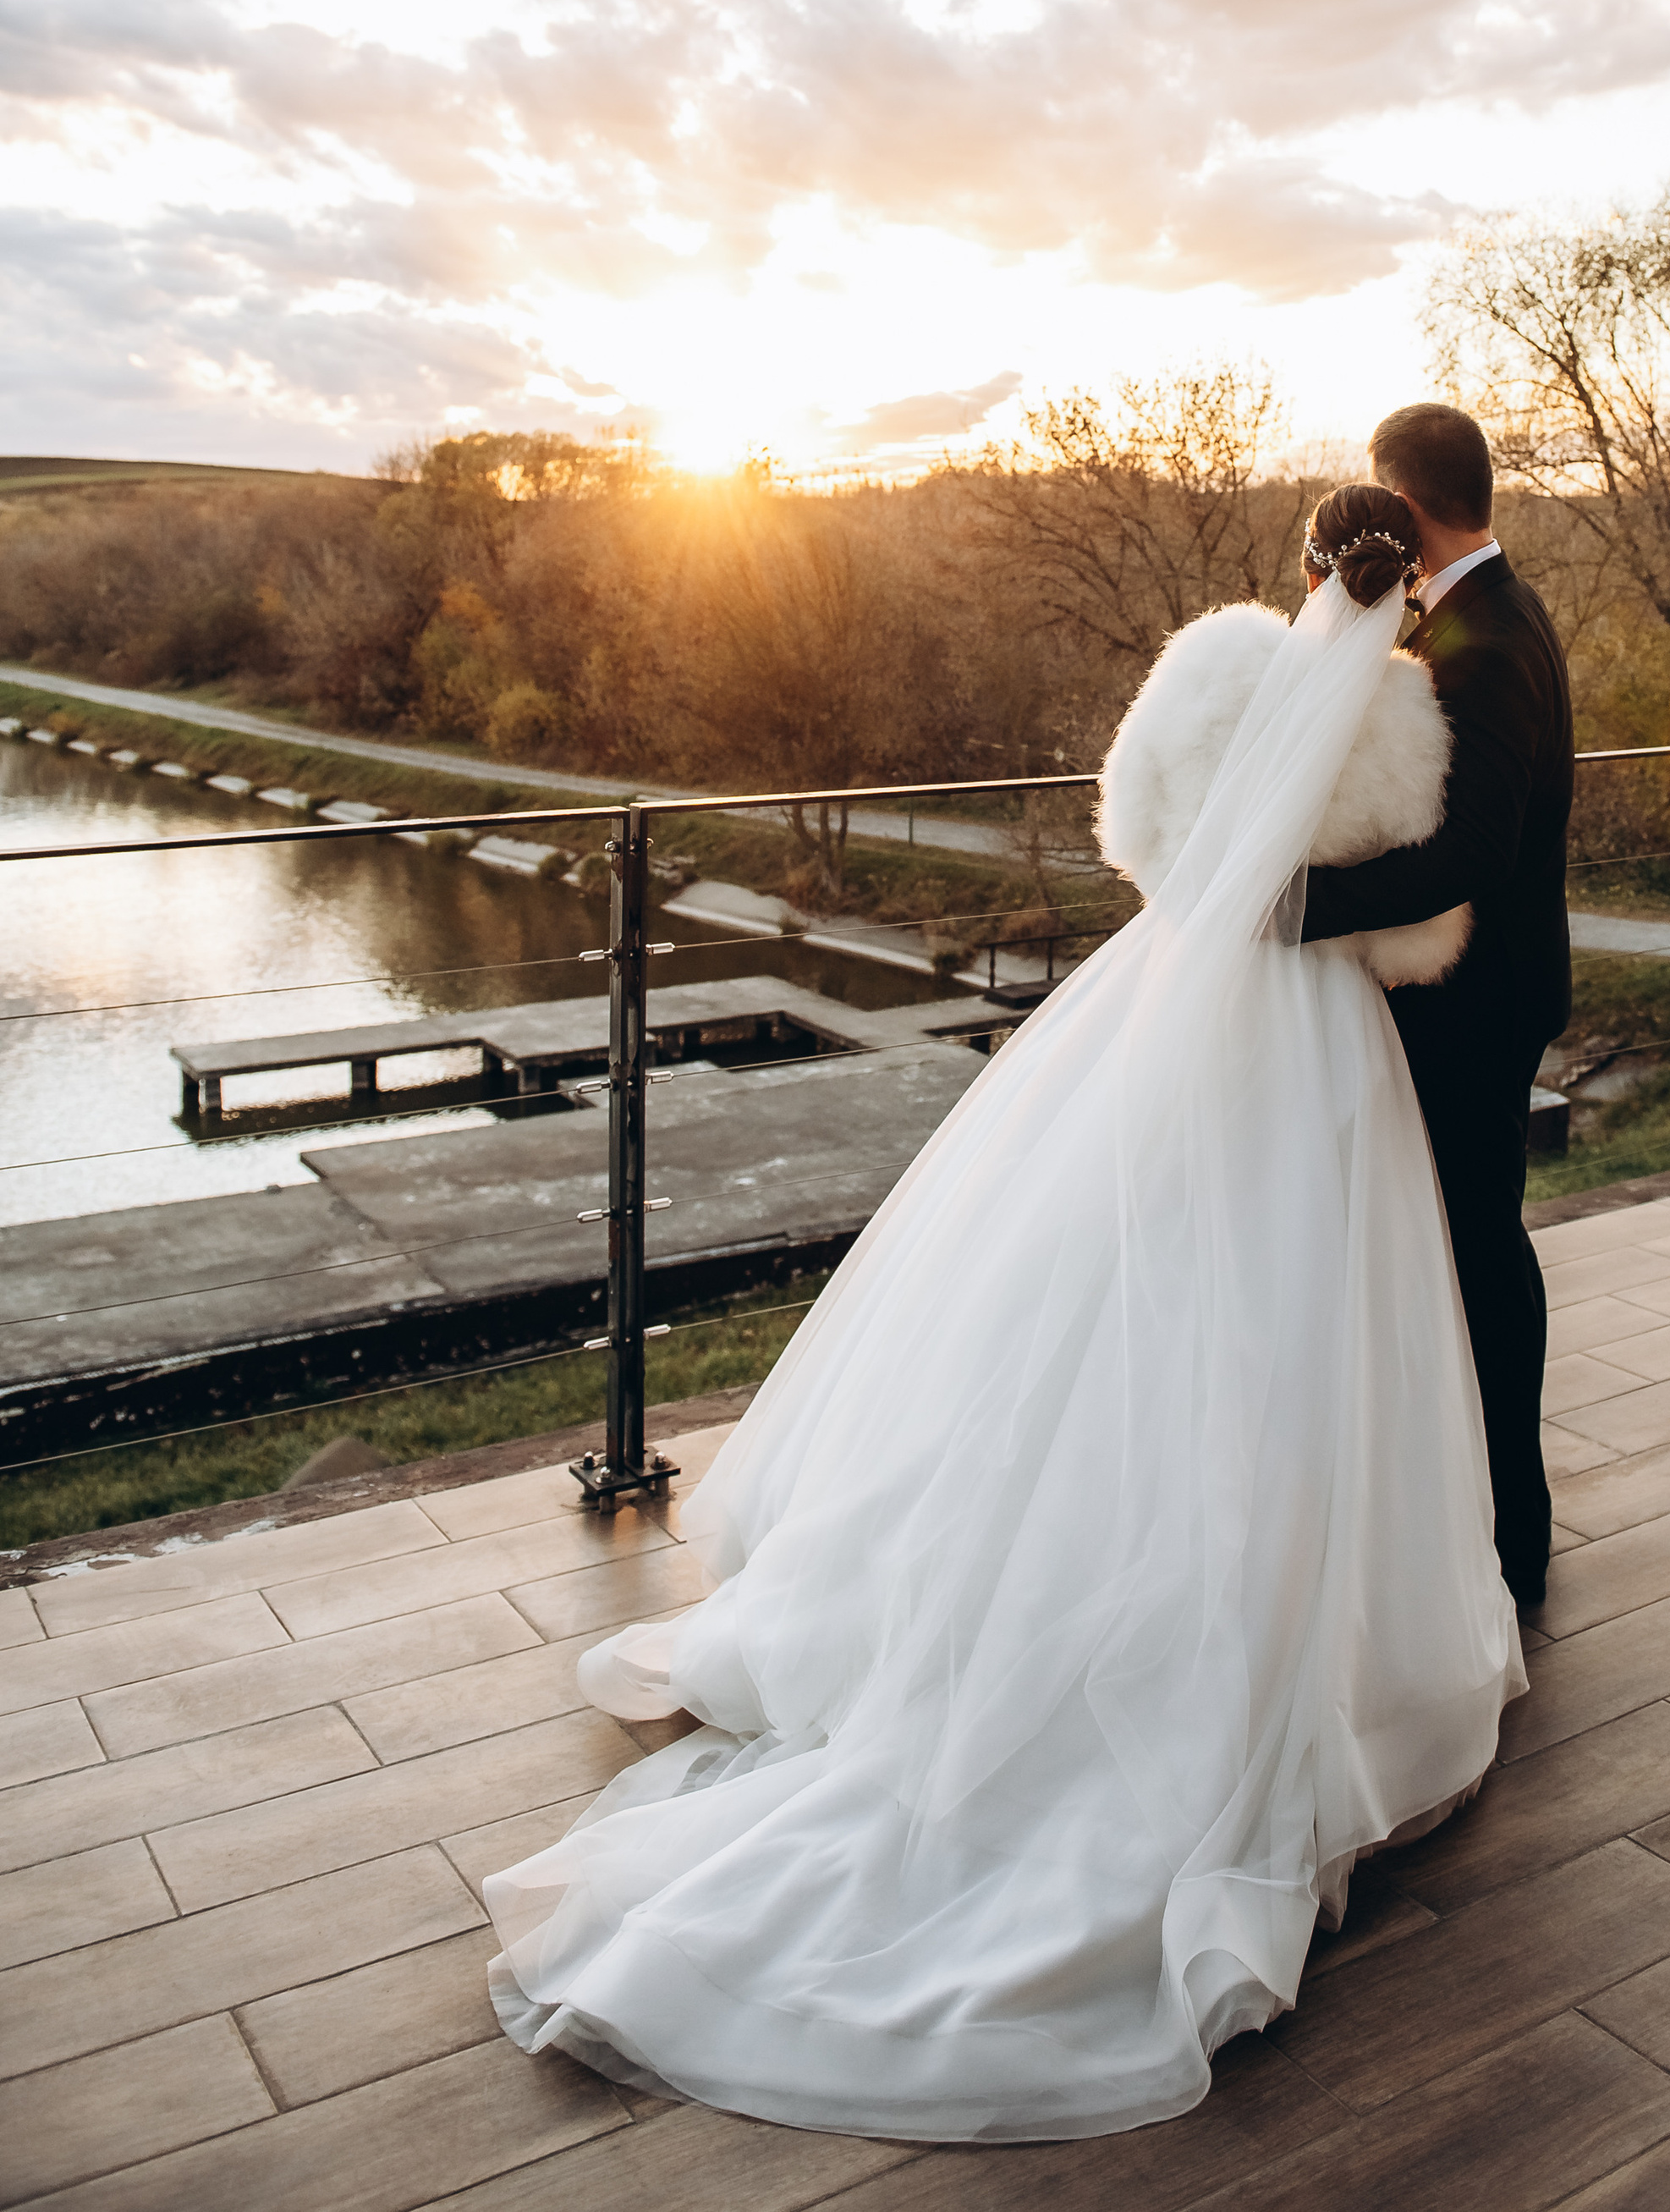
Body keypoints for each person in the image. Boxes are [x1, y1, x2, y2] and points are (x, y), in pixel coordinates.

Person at [482, 487, 1523, 2144]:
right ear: (1400, 588)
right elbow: (1414, 919)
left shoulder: (1206, 666)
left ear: (1309, 561)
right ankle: (1295, 1642)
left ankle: (1032, 1598)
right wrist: (1312, 916)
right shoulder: (1401, 713)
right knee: (1302, 1340)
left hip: (1166, 1015)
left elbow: (1135, 836)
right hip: (1316, 1051)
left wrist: (1220, 893)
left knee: (1110, 1309)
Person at [1299, 405, 1574, 1609]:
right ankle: (1481, 1512)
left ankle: (1515, 1537)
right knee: (1464, 1250)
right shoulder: (1494, 610)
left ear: (1407, 507)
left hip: (1480, 1004)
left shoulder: (1484, 642)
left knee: (1479, 1253)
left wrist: (1301, 902)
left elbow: (1474, 848)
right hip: (1479, 993)